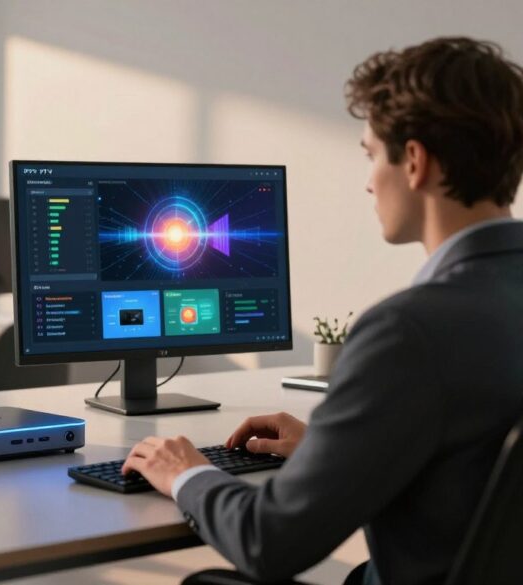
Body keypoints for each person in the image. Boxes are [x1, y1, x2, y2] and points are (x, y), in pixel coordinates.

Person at [122, 37, 523, 585]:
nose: (366, 180)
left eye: (369, 154)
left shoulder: (408, 332)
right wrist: (336, 454)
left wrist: (188, 473)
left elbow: (268, 543)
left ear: (413, 161)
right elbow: (473, 467)